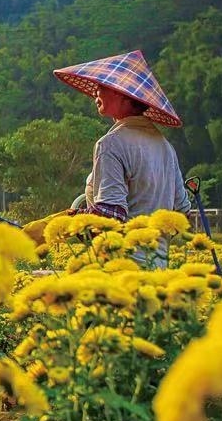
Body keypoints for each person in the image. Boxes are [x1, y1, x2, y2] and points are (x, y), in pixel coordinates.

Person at [52, 50, 193, 266]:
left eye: (103, 87)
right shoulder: (165, 147)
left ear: (123, 94)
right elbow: (182, 211)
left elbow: (110, 217)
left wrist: (65, 225)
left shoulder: (111, 144)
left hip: (122, 268)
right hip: (159, 268)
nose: (96, 93)